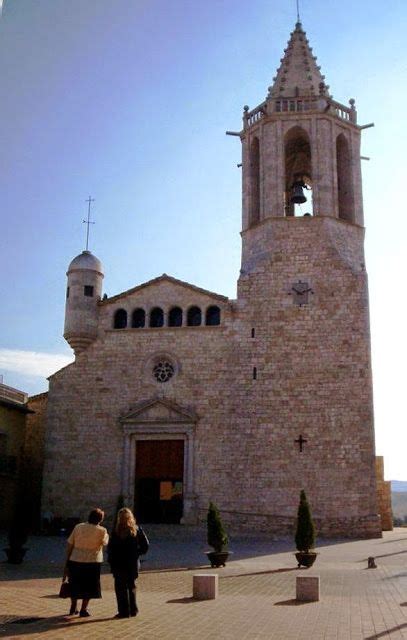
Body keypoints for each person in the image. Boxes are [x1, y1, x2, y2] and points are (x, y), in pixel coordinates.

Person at [63, 507, 109, 617]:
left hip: (76, 559)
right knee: (89, 586)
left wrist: (67, 559)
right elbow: (105, 543)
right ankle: (84, 609)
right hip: (93, 561)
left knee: (74, 583)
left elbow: (70, 543)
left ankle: (73, 606)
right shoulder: (102, 530)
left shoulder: (78, 527)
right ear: (100, 519)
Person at [108, 507, 149, 619]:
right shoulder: (137, 530)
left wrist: (110, 561)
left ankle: (123, 611)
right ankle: (133, 610)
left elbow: (110, 548)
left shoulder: (116, 531)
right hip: (131, 563)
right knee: (131, 586)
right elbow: (146, 546)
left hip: (118, 563)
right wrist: (137, 553)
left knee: (120, 588)